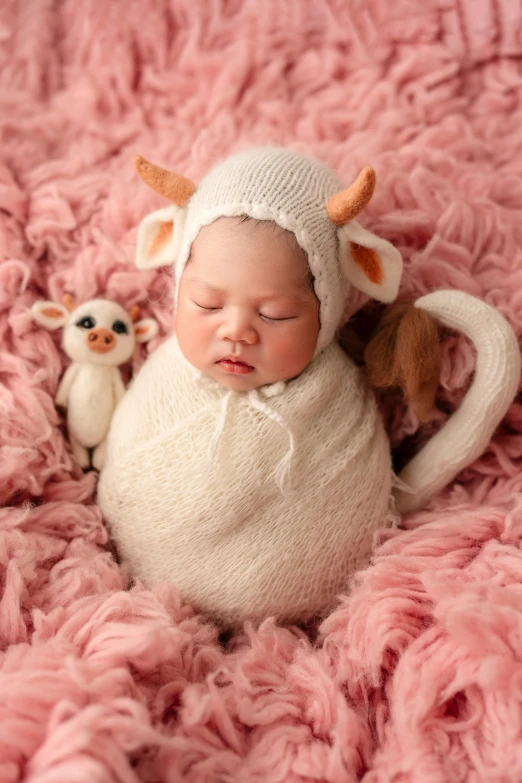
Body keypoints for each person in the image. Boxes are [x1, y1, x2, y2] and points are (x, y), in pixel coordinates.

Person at [97, 147, 520, 627]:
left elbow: (356, 504)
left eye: (275, 314)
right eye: (207, 304)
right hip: (144, 603)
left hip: (290, 619)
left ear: (327, 309)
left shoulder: (336, 402)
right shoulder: (166, 375)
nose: (236, 330)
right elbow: (121, 458)